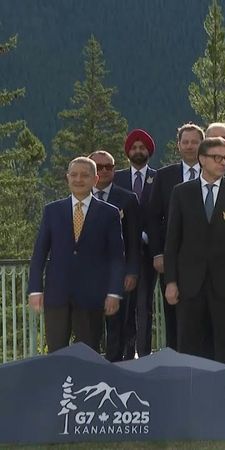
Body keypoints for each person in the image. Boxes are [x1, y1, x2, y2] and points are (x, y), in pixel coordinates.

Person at [163, 137, 225, 364]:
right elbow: (172, 240)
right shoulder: (182, 192)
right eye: (217, 158)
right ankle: (192, 394)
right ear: (202, 159)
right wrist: (171, 281)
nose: (223, 163)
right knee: (191, 346)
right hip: (190, 283)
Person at [28, 157, 124, 353]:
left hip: (92, 296)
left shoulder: (109, 213)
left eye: (84, 175)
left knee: (89, 354)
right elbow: (39, 253)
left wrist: (114, 293)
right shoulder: (52, 211)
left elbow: (116, 257)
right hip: (57, 294)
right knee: (56, 353)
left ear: (95, 179)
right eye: (74, 174)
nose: (78, 179)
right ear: (67, 178)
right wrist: (35, 289)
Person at [147, 123, 204, 349]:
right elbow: (153, 218)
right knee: (173, 315)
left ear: (203, 144)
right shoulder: (164, 176)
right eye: (185, 142)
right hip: (173, 259)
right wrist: (158, 253)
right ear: (178, 145)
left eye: (195, 141)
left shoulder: (216, 173)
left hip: (208, 259)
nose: (190, 146)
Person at [89, 150, 141, 362]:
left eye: (108, 167)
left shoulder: (128, 199)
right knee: (89, 326)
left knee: (119, 325)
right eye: (98, 167)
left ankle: (119, 367)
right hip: (88, 275)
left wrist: (132, 271)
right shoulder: (80, 197)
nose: (103, 171)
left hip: (118, 274)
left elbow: (134, 240)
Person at [114, 128, 157, 357]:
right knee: (123, 307)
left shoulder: (158, 178)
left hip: (149, 254)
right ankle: (125, 354)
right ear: (128, 151)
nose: (138, 151)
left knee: (144, 307)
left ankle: (145, 354)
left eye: (142, 147)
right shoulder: (117, 178)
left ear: (148, 151)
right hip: (122, 254)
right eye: (134, 147)